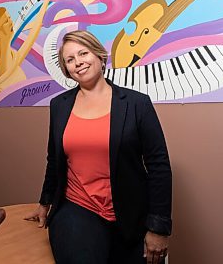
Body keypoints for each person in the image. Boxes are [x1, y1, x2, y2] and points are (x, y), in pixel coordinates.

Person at [25, 30, 172, 264]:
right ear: (66, 69)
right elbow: (54, 160)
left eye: (83, 53)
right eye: (70, 59)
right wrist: (45, 202)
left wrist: (159, 228)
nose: (78, 62)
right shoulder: (59, 106)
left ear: (99, 56)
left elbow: (159, 167)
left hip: (130, 213)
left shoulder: (137, 104)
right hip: (77, 208)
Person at [0, 0, 81, 106]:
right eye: (6, 21)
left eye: (10, 18)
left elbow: (36, 27)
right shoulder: (1, 79)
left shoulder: (13, 56)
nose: (11, 22)